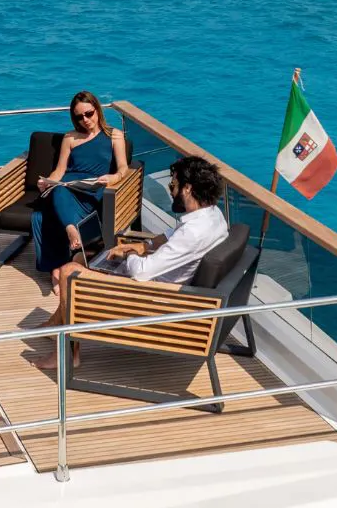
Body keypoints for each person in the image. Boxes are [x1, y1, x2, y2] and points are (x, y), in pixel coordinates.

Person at [26, 154, 229, 371]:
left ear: (187, 189)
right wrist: (145, 245)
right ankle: (55, 324)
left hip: (150, 299)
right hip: (168, 287)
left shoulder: (192, 233)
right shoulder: (213, 216)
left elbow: (141, 272)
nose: (170, 191)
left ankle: (68, 354)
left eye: (173, 185)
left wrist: (129, 255)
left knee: (69, 272)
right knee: (82, 259)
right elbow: (172, 234)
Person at [29, 91, 131, 272]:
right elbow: (60, 171)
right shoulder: (70, 137)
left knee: (47, 210)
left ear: (97, 109)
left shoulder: (114, 135)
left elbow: (123, 167)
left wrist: (113, 177)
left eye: (89, 114)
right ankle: (70, 234)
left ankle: (61, 261)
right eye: (79, 117)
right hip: (67, 187)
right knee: (56, 192)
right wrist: (47, 182)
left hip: (92, 190)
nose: (85, 120)